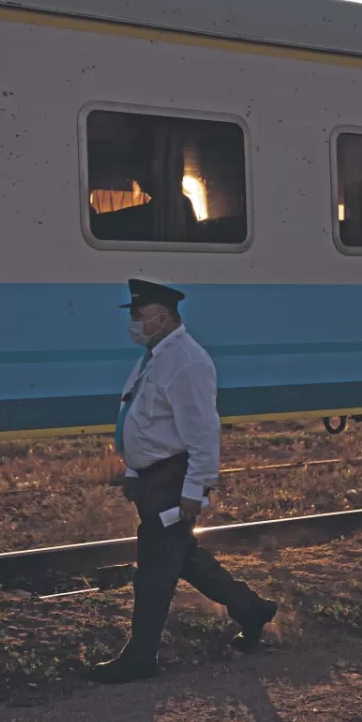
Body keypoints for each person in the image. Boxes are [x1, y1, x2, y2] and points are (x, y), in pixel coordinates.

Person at [85, 278, 278, 684]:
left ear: (162, 316)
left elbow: (203, 432)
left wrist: (194, 489)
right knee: (183, 557)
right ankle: (252, 609)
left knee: (154, 569)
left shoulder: (186, 362)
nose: (133, 323)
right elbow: (144, 419)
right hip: (155, 479)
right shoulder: (157, 356)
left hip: (173, 480)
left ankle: (139, 658)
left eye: (138, 316)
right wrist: (135, 472)